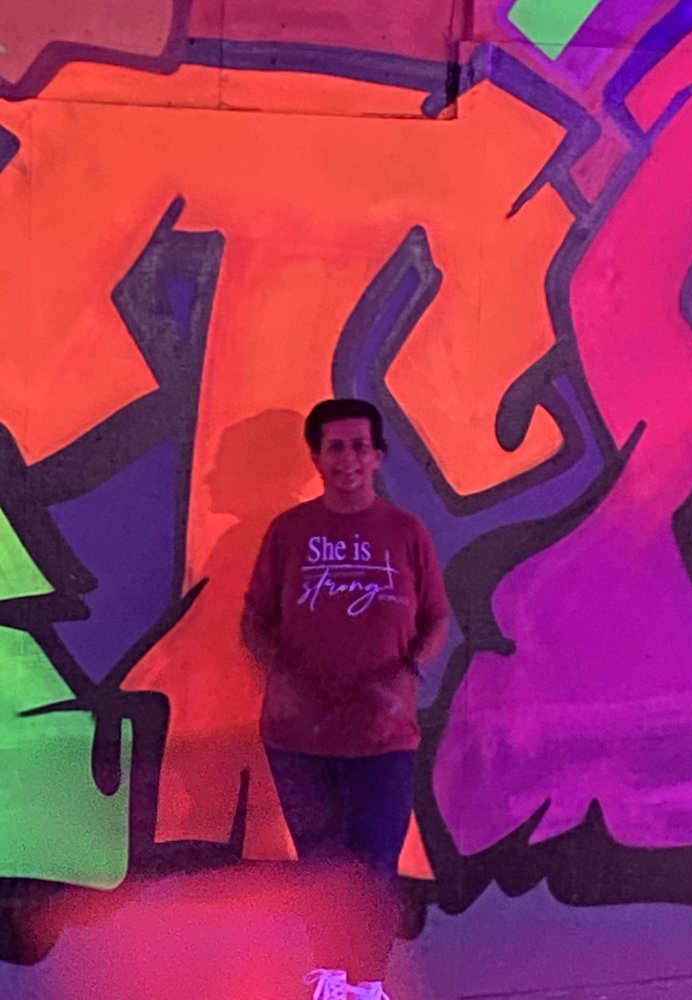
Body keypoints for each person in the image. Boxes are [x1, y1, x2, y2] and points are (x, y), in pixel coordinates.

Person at [241, 398, 450, 1000]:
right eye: (335, 447)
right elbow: (254, 621)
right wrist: (282, 672)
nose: (349, 458)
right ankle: (331, 978)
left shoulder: (406, 532)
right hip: (297, 737)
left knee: (374, 865)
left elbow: (436, 618)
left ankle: (367, 984)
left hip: (384, 734)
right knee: (322, 864)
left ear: (378, 455)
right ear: (316, 457)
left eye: (360, 446)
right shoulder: (289, 532)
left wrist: (407, 671)